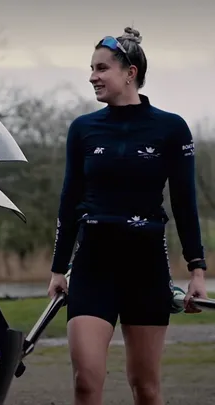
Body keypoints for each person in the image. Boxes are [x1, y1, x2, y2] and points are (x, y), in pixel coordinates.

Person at [47, 27, 208, 405]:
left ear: (130, 72)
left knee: (145, 387)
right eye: (91, 68)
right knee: (86, 381)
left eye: (101, 68)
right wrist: (57, 269)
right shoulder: (82, 129)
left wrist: (197, 270)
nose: (92, 76)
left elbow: (184, 203)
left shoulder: (171, 128)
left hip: (146, 267)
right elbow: (69, 201)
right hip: (92, 266)